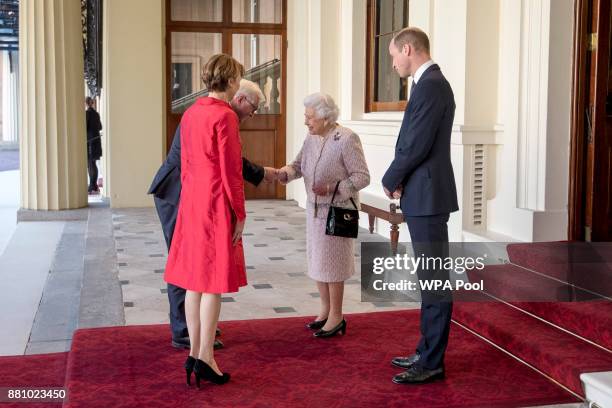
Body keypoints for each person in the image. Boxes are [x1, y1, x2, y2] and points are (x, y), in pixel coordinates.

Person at [148, 79, 272, 351]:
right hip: (177, 191)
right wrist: (244, 205)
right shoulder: (217, 115)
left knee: (195, 266)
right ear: (239, 98)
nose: (253, 115)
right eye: (254, 108)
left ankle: (198, 333)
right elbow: (228, 165)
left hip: (194, 192)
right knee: (185, 265)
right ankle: (184, 333)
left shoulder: (204, 112)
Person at [381, 27, 459, 385]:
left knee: (435, 280)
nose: (393, 62)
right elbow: (415, 143)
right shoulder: (427, 84)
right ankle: (426, 350)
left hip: (428, 197)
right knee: (429, 278)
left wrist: (389, 177)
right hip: (422, 193)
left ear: (408, 49)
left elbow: (415, 145)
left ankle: (432, 362)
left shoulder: (431, 85)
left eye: (394, 55)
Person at [164, 53, 246, 387]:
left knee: (194, 280)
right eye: (238, 78)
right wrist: (239, 212)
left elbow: (184, 163)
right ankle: (206, 357)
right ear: (228, 81)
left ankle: (195, 354)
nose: (239, 83)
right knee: (212, 282)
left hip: (192, 200)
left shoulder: (191, 113)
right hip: (214, 202)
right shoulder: (224, 116)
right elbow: (232, 170)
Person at [279, 93, 370, 338]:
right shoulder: (312, 139)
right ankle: (325, 310)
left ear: (325, 117)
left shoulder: (346, 139)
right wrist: (284, 173)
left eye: (310, 117)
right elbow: (298, 165)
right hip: (315, 212)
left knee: (334, 265)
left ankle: (337, 316)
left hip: (338, 212)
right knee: (318, 262)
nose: (306, 122)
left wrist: (333, 188)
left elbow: (362, 177)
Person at [85, 97, 102, 194]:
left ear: (86, 104)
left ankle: (92, 186)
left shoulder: (87, 113)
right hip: (96, 141)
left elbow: (84, 127)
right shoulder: (96, 114)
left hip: (90, 142)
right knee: (93, 163)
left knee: (90, 164)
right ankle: (94, 185)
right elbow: (100, 127)